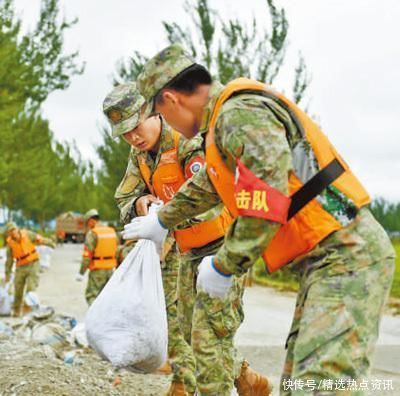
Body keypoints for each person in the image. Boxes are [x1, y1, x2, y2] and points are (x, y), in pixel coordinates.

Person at [124, 43, 395, 393]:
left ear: (171, 100)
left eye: (158, 113)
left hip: (347, 255)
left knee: (318, 386)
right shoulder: (223, 128)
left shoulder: (239, 114)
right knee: (301, 383)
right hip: (328, 259)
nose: (165, 125)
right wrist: (162, 221)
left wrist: (225, 264)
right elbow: (209, 183)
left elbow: (267, 195)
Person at [104, 82, 270, 396]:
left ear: (152, 112)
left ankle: (200, 386)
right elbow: (125, 197)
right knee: (190, 330)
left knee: (211, 335)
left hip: (222, 248)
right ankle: (246, 379)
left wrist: (166, 215)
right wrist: (141, 205)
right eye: (124, 133)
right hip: (188, 251)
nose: (133, 137)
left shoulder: (187, 143)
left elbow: (211, 199)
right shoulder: (139, 155)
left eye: (135, 128)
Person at [5, 221, 55, 317]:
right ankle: (16, 310)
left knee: (31, 289)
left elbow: (40, 239)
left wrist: (50, 243)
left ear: (17, 229)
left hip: (33, 264)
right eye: (10, 231)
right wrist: (7, 274)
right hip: (20, 266)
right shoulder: (10, 244)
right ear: (8, 233)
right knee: (18, 289)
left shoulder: (27, 234)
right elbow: (9, 260)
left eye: (13, 230)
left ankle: (28, 311)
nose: (13, 233)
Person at [76, 209, 118, 305]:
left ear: (91, 220)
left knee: (91, 296)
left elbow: (87, 256)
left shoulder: (93, 233)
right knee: (106, 297)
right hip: (110, 270)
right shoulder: (111, 231)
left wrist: (81, 272)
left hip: (97, 270)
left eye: (88, 223)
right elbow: (117, 250)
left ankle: (94, 318)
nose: (89, 226)